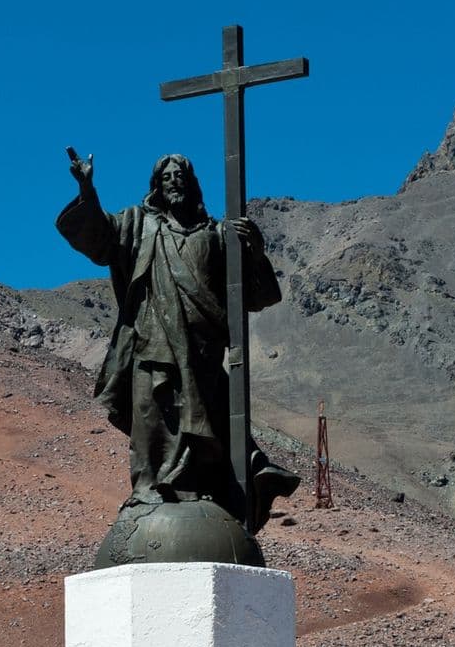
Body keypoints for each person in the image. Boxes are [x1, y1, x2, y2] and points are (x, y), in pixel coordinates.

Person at [57, 151, 299, 532]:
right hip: (151, 344)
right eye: (166, 176)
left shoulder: (215, 235)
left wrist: (254, 250)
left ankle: (212, 492)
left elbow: (259, 296)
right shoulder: (139, 225)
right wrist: (87, 188)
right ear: (156, 185)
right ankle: (148, 491)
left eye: (180, 176)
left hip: (202, 352)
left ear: (192, 184)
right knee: (153, 420)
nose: (174, 181)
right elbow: (100, 237)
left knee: (202, 425)